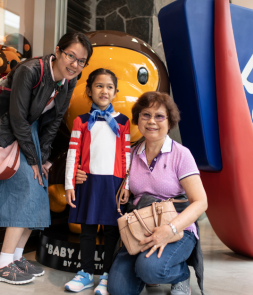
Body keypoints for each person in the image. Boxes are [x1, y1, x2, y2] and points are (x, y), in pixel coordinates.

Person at [75, 91, 208, 295]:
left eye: (159, 116)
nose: (152, 121)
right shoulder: (131, 153)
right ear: (138, 119)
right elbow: (102, 164)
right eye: (146, 115)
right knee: (118, 289)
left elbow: (200, 202)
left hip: (177, 229)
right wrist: (79, 173)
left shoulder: (181, 154)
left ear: (170, 121)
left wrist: (169, 229)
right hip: (140, 229)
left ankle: (180, 275)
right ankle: (148, 269)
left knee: (151, 269)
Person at [0, 32, 93, 285]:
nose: (75, 64)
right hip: (8, 128)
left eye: (81, 61)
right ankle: (3, 262)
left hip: (30, 132)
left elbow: (53, 124)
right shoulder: (29, 70)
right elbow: (17, 117)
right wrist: (33, 160)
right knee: (26, 189)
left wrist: (46, 160)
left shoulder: (70, 80)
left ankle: (17, 257)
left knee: (40, 191)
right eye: (70, 56)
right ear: (57, 51)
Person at [64, 68, 130, 295]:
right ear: (89, 90)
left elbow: (126, 155)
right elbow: (73, 153)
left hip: (115, 183)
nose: (104, 90)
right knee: (88, 230)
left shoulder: (123, 121)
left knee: (112, 231)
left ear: (115, 92)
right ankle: (86, 273)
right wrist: (70, 182)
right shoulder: (80, 121)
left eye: (109, 86)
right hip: (88, 183)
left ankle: (107, 275)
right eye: (99, 85)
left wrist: (127, 185)